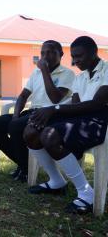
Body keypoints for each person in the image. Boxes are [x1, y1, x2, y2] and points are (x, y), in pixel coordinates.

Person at [23, 36, 108, 214]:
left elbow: (97, 104)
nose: (76, 61)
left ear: (94, 53)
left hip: (100, 120)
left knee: (50, 134)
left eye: (79, 56)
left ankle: (86, 193)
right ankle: (56, 181)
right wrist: (51, 111)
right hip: (82, 118)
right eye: (74, 57)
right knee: (31, 130)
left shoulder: (106, 70)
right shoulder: (80, 77)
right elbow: (76, 105)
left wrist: (55, 109)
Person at [0, 40, 75, 182]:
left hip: (49, 115)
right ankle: (24, 165)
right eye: (42, 53)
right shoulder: (36, 72)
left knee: (16, 127)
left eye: (50, 52)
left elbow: (55, 98)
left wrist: (45, 71)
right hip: (31, 112)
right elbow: (23, 96)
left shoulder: (67, 74)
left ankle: (25, 169)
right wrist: (15, 116)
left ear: (61, 54)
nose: (45, 56)